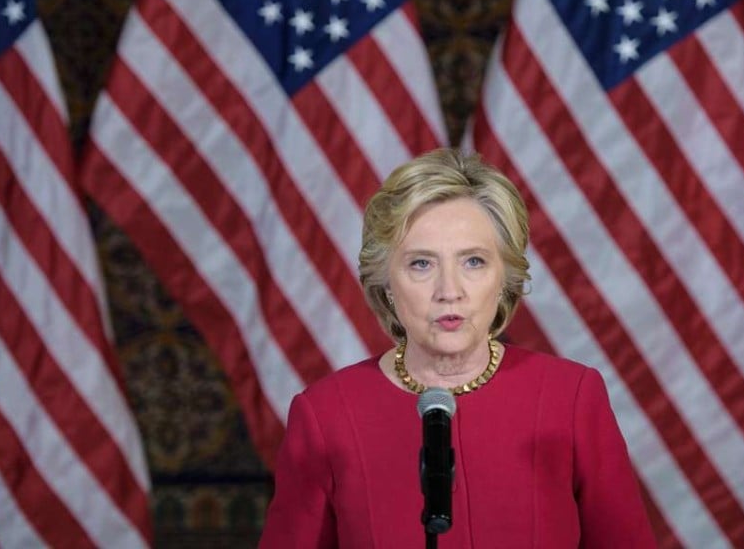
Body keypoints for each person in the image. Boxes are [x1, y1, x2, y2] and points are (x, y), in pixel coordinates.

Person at [259, 148, 657, 548]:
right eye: (421, 264)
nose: (449, 291)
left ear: (505, 277)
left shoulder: (570, 398)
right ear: (385, 283)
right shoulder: (326, 416)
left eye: (473, 262)